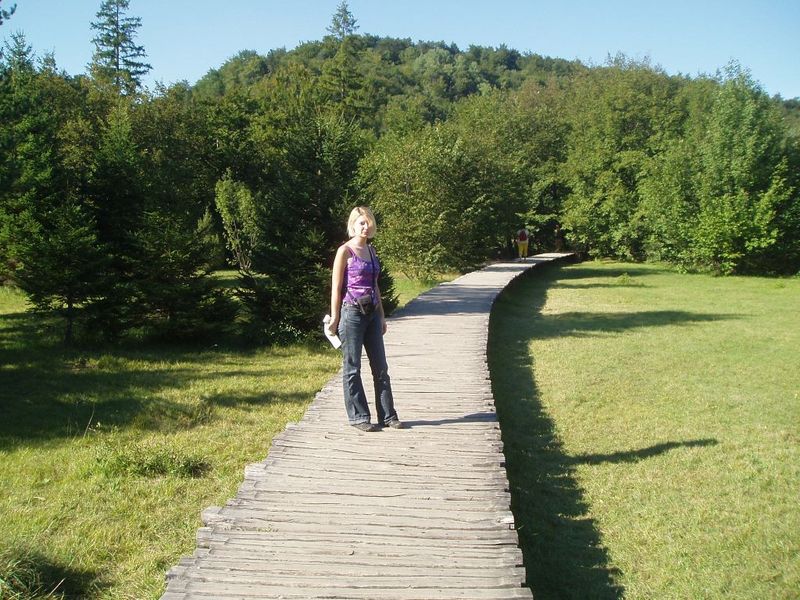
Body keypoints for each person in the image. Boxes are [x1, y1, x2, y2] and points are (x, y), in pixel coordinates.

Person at [326, 206, 404, 432]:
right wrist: (335, 318)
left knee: (381, 367)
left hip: (372, 314)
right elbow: (336, 288)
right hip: (351, 313)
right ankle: (359, 417)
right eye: (361, 223)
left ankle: (388, 416)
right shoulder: (345, 251)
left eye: (369, 223)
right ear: (353, 225)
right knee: (352, 367)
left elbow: (375, 285)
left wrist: (382, 316)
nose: (366, 227)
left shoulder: (371, 250)